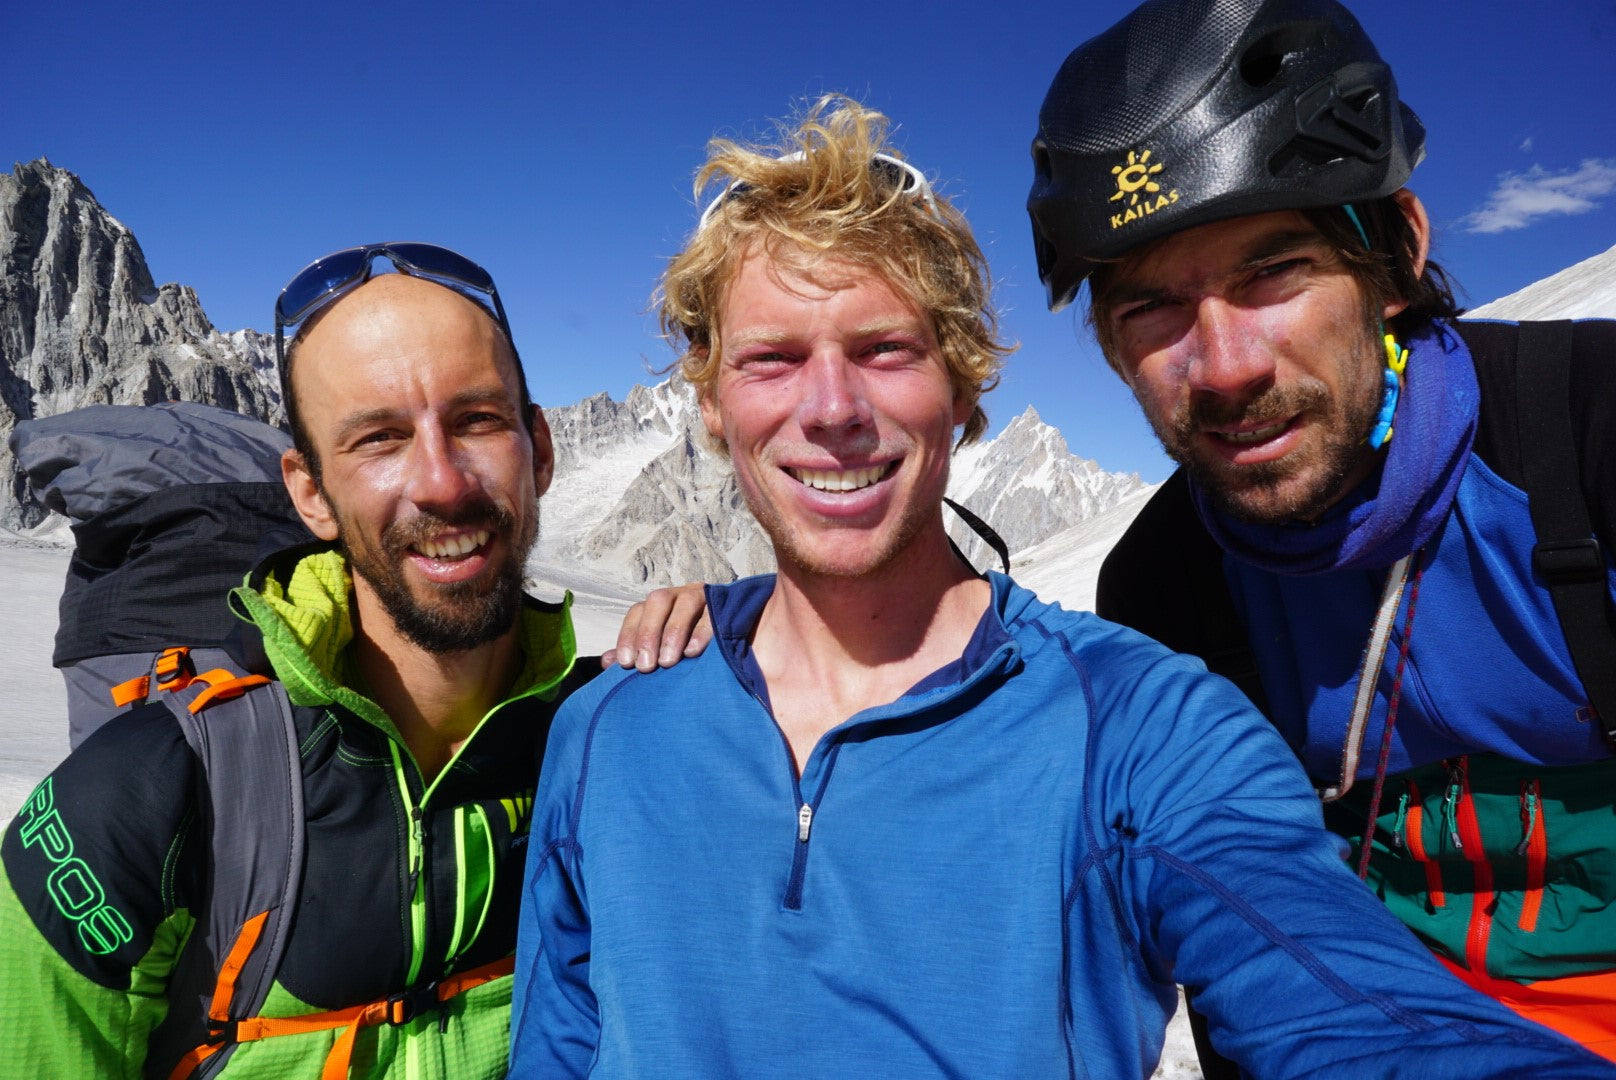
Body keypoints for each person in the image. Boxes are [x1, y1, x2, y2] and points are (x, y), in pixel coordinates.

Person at [508, 96, 1613, 1079]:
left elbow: (1336, 999)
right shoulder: (608, 724)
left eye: (885, 349)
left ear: (964, 391)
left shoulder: (1139, 723)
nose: (830, 405)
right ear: (709, 405)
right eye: (769, 359)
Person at [1025, 0, 1616, 1065]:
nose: (1223, 365)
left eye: (1271, 274)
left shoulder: (1588, 442)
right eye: (1150, 309)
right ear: (1111, 352)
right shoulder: (1168, 589)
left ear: (1392, 261)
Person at [0, 242, 703, 1079]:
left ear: (540, 450)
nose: (441, 482)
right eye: (379, 439)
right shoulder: (141, 800)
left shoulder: (613, 751)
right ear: (309, 494)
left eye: (477, 419)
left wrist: (742, 622)